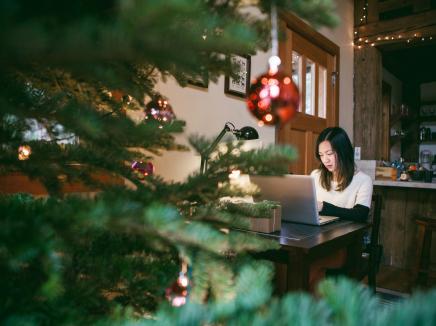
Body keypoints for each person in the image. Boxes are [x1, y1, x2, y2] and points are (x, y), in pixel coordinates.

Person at [308, 126, 373, 291]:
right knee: (291, 260)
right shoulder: (315, 176)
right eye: (321, 155)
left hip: (345, 245)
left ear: (343, 151)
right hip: (316, 239)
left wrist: (324, 207)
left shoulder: (362, 180)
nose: (325, 160)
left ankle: (311, 313)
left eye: (330, 154)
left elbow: (360, 215)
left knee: (310, 264)